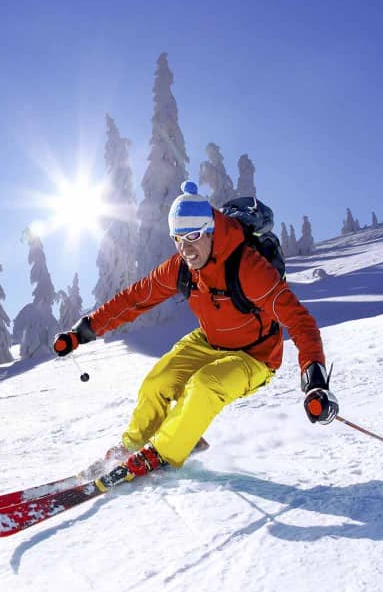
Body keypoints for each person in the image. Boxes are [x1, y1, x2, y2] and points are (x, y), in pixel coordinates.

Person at [54, 181, 338, 479]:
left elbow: (300, 321)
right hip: (210, 341)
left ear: (211, 230)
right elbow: (135, 298)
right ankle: (131, 447)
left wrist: (315, 381)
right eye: (178, 239)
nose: (186, 249)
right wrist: (82, 331)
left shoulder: (249, 268)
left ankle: (162, 454)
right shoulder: (181, 267)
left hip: (255, 355)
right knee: (157, 382)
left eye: (192, 237)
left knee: (204, 385)